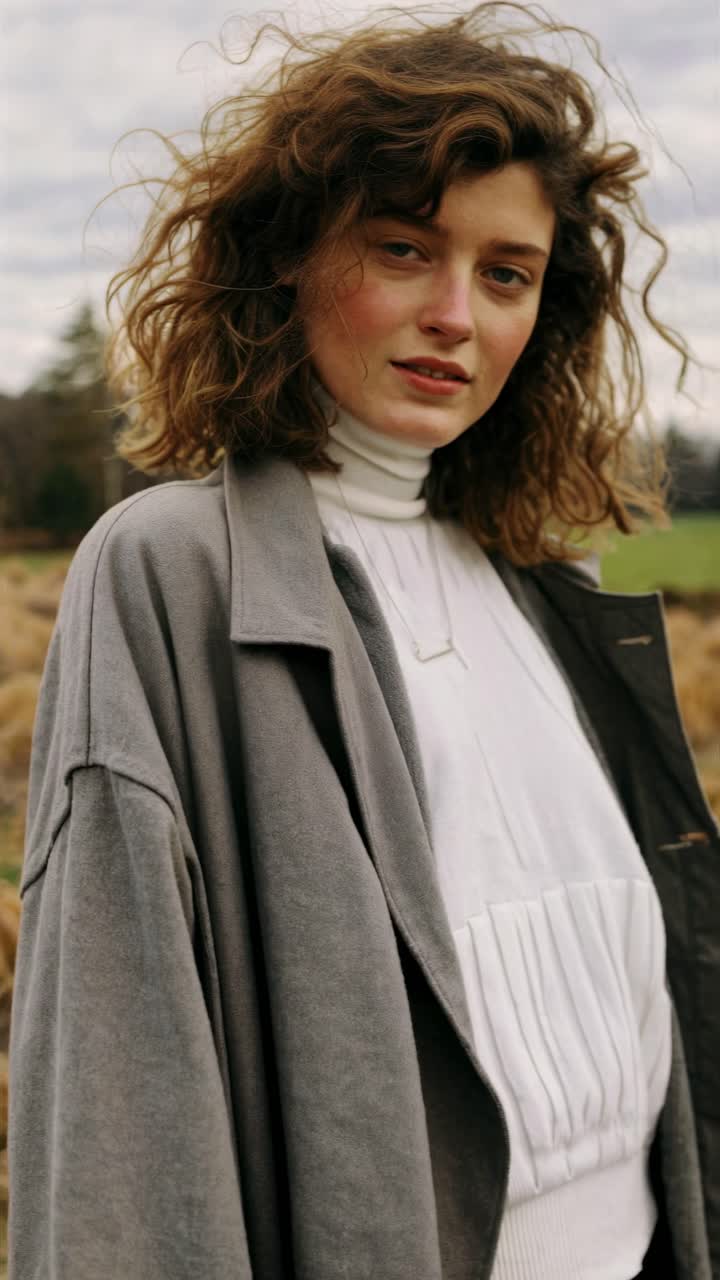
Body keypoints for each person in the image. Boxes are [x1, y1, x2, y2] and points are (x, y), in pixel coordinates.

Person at [8, 3, 718, 1277]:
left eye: (506, 274)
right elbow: (120, 1100)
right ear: (289, 258)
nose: (456, 312)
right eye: (404, 248)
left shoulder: (546, 578)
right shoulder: (172, 571)